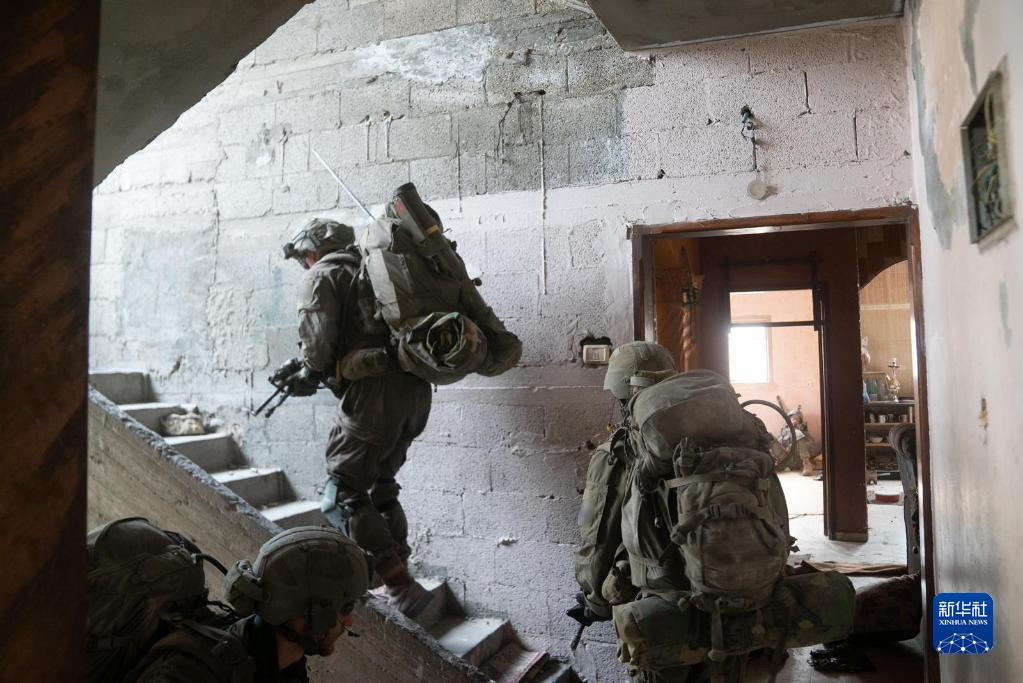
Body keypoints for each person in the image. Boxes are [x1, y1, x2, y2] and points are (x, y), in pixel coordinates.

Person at [279, 217, 434, 617]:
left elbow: (318, 350)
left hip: (374, 395)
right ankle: (399, 577)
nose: (304, 264)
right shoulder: (374, 268)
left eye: (303, 257)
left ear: (313, 250)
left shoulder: (323, 274)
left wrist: (308, 372)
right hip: (415, 390)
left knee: (344, 492)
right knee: (382, 485)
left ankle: (399, 585)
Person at [133, 526, 369, 682]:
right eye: (346, 609)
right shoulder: (193, 674)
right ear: (309, 617)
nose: (350, 621)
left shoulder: (282, 661)